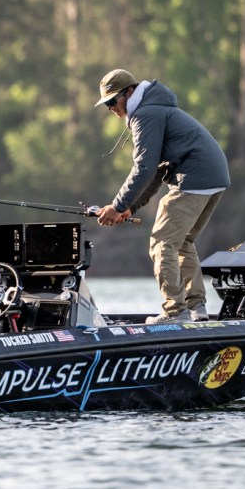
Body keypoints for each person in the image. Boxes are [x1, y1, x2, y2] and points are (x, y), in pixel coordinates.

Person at [94, 69, 230, 324]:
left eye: (112, 101)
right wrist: (130, 208)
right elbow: (156, 171)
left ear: (130, 93)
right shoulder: (155, 109)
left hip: (194, 177)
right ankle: (197, 309)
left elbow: (143, 168)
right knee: (182, 242)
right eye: (106, 104)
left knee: (161, 243)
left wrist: (117, 205)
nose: (111, 108)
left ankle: (175, 312)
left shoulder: (145, 114)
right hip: (215, 177)